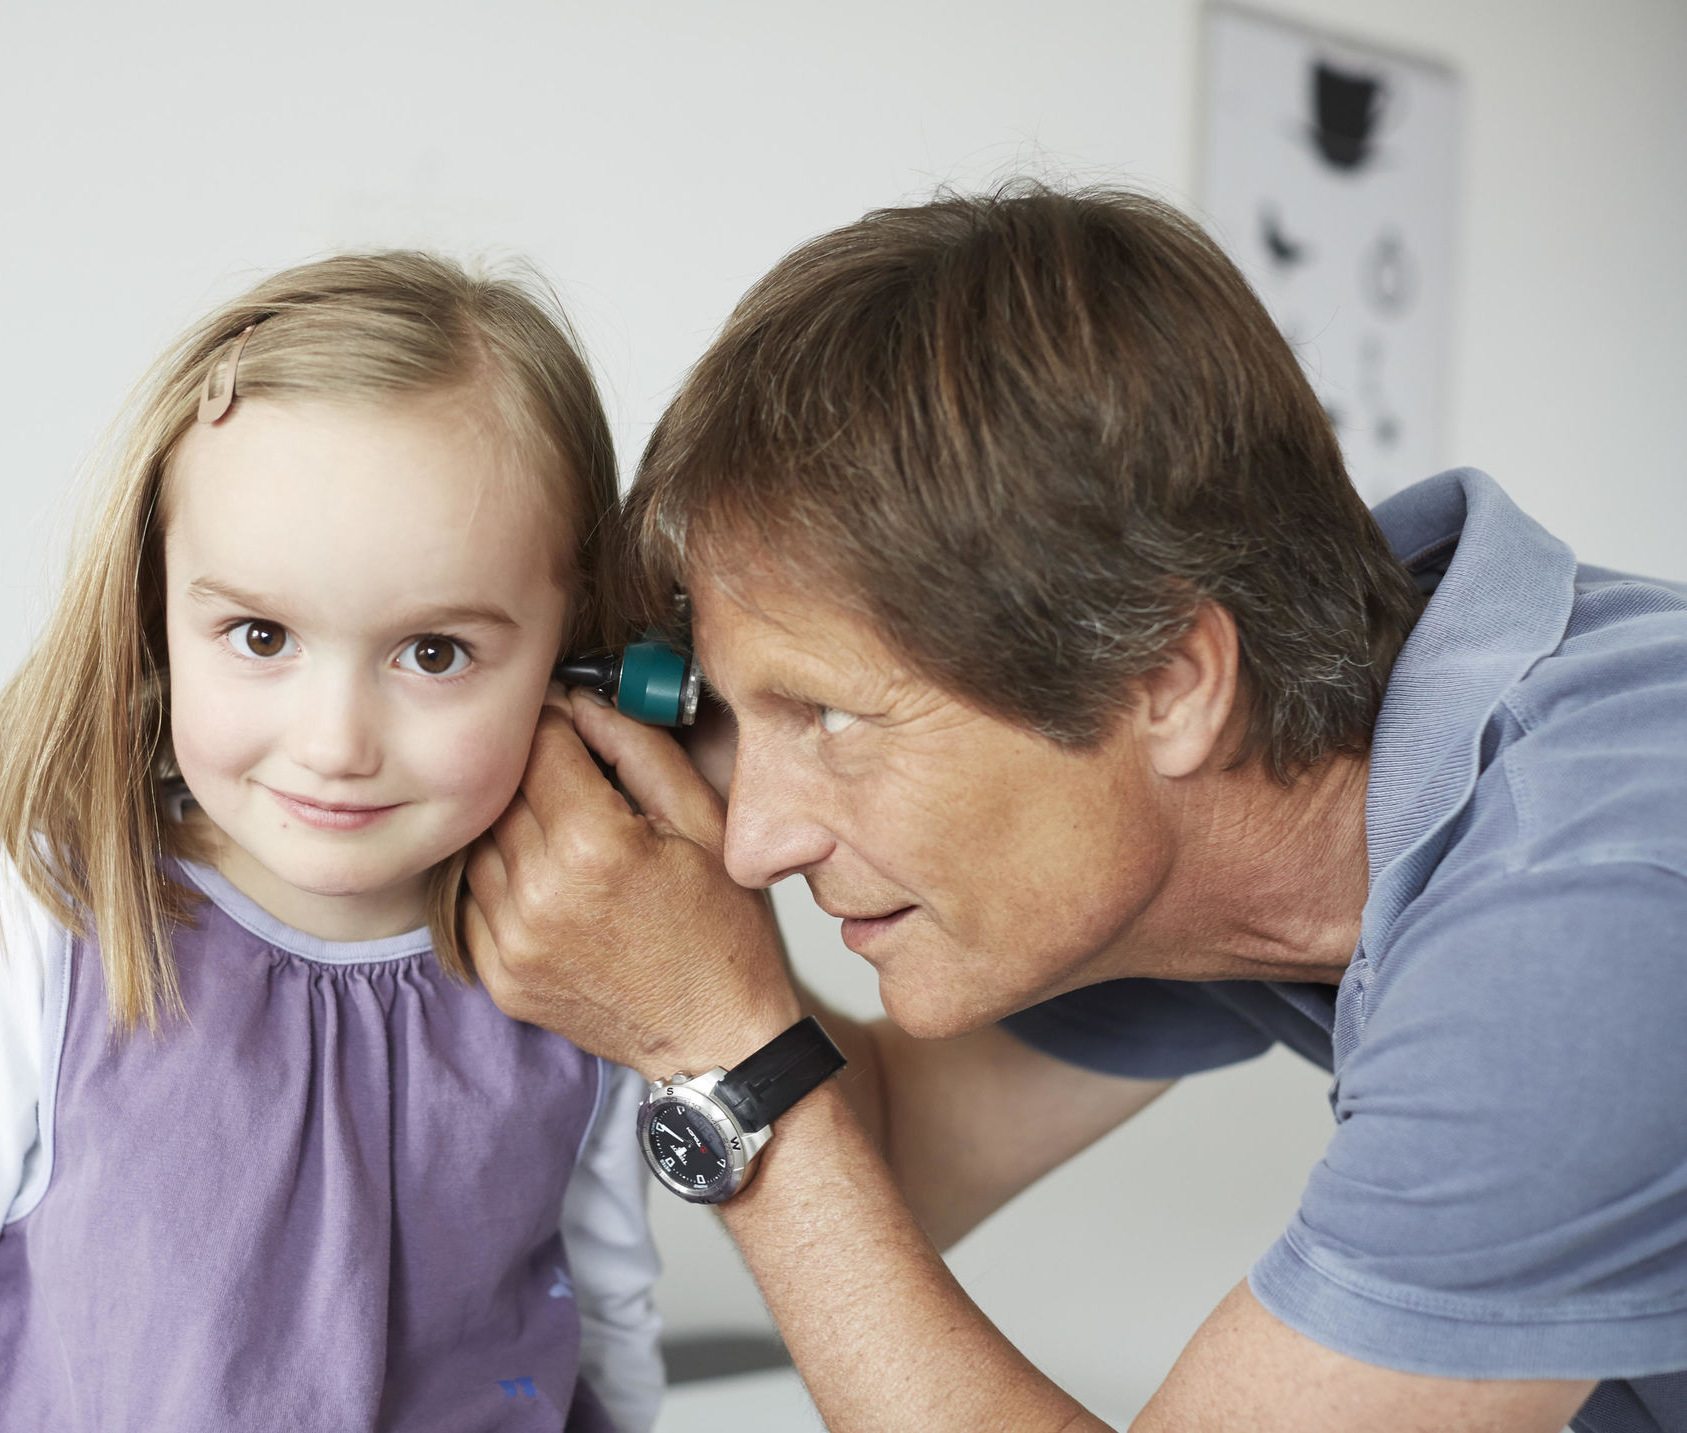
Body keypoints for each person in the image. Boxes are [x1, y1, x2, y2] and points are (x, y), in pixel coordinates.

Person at [464, 185, 1687, 1433]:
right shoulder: (1242, 818)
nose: (753, 841)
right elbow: (898, 1156)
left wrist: (721, 1052)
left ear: (1167, 682)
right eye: (736, 712)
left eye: (830, 716)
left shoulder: (1582, 922)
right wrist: (685, 978)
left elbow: (798, 1134)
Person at [0, 254, 663, 1433]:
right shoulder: (49, 920)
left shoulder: (579, 950)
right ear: (159, 613)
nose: (335, 741)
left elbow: (609, 1313)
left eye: (433, 653)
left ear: (568, 641)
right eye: (260, 633)